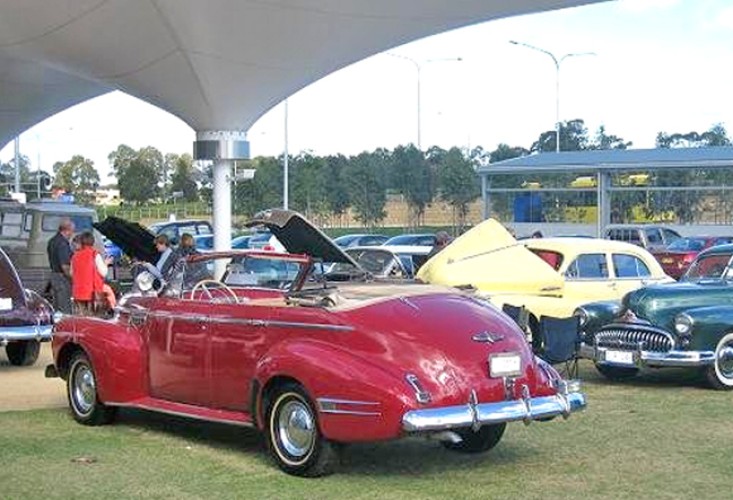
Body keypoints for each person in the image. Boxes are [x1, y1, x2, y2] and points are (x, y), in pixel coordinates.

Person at [70, 231, 114, 315]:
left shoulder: (74, 256)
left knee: (81, 318)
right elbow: (103, 272)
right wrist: (106, 263)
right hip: (92, 293)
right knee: (93, 319)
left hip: (78, 293)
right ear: (93, 242)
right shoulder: (95, 255)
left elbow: (72, 273)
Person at [46, 218, 75, 313]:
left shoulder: (52, 241)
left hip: (54, 276)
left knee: (57, 307)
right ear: (67, 230)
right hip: (63, 279)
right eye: (72, 231)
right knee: (65, 308)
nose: (72, 233)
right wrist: (74, 279)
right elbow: (65, 266)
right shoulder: (62, 243)